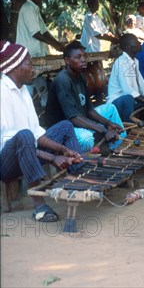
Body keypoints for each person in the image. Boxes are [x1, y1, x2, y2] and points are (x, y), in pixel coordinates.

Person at [1, 41, 83, 222]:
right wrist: (53, 158)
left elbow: (37, 133)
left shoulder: (23, 91)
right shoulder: (2, 93)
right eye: (29, 64)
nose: (33, 69)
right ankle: (38, 206)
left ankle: (79, 176)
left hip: (26, 150)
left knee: (65, 126)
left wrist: (62, 150)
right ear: (16, 66)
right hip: (5, 163)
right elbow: (11, 141)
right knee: (24, 135)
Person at [45, 41, 125, 154]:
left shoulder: (81, 75)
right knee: (86, 138)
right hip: (63, 127)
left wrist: (108, 124)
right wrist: (104, 130)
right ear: (67, 61)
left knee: (110, 109)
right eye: (78, 57)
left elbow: (89, 109)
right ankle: (80, 160)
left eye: (84, 56)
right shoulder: (62, 80)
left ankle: (116, 148)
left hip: (78, 118)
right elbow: (73, 118)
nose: (83, 60)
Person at [16, 0, 65, 107]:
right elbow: (36, 33)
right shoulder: (27, 8)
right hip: (28, 58)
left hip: (36, 57)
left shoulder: (34, 9)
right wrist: (54, 45)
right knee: (26, 92)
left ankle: (46, 114)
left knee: (43, 91)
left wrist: (57, 44)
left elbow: (44, 32)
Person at [107, 34, 144, 122]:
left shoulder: (134, 61)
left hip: (129, 99)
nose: (139, 43)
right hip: (116, 103)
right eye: (136, 42)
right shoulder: (122, 62)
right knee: (129, 99)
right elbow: (129, 91)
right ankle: (129, 128)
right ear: (128, 47)